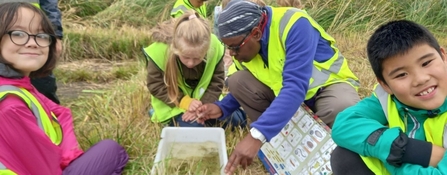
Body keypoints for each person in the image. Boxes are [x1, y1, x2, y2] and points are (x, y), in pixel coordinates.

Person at [195, 0, 360, 174]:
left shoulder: (295, 24)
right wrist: (222, 108)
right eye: (228, 47)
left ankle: (297, 140)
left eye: (234, 48)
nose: (231, 53)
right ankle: (282, 142)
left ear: (256, 33)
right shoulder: (243, 42)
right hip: (287, 99)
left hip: (325, 89)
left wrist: (256, 135)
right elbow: (245, 84)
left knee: (341, 107)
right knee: (237, 80)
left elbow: (295, 86)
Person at [0, 3, 128, 174]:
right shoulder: (10, 105)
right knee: (111, 151)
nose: (33, 43)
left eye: (41, 35)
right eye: (18, 34)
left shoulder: (19, 85)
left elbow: (59, 111)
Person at [331, 20, 447, 174]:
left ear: (444, 56)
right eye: (401, 74)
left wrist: (394, 164)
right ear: (385, 85)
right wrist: (405, 149)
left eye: (426, 63)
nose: (421, 79)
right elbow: (344, 124)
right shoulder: (388, 99)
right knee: (345, 156)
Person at [143, 10, 246, 128]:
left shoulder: (215, 47)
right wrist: (184, 102)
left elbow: (216, 82)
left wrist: (203, 107)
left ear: (207, 50)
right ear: (176, 48)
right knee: (195, 127)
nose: (191, 63)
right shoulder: (159, 52)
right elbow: (155, 85)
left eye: (197, 58)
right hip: (174, 105)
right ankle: (157, 114)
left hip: (205, 101)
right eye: (186, 57)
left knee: (238, 121)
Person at [0, 0, 65, 104]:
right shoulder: (11, 106)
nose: (32, 43)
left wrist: (55, 35)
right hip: (9, 33)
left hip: (36, 23)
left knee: (42, 92)